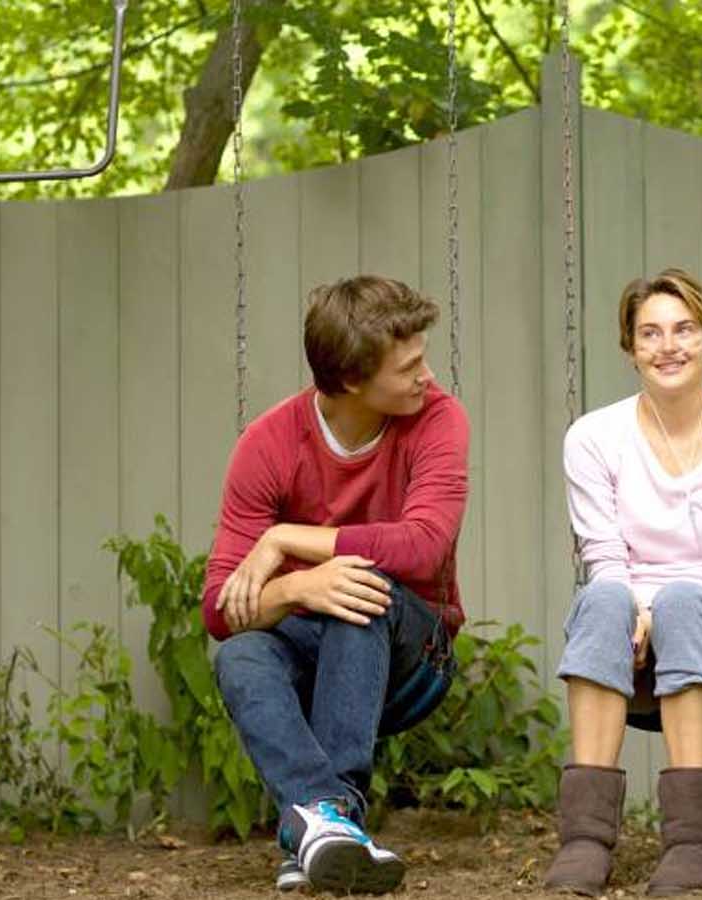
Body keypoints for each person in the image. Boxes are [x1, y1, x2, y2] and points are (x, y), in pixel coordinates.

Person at [204, 275, 469, 895]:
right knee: (241, 654)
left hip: (414, 659)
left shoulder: (438, 418)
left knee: (358, 586)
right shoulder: (268, 443)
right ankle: (327, 828)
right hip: (312, 648)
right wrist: (296, 590)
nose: (426, 376)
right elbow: (219, 609)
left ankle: (330, 819)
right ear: (351, 380)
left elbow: (423, 545)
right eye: (408, 367)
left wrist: (285, 540)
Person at [545, 268, 702, 896]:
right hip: (627, 637)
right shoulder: (593, 437)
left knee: (685, 600)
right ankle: (585, 840)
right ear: (630, 348)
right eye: (649, 333)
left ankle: (691, 845)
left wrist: (659, 613)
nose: (667, 346)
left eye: (685, 330)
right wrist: (638, 615)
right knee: (602, 597)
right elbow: (604, 558)